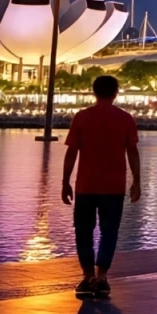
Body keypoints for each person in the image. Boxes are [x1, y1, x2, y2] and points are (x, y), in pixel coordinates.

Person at [61, 74, 140, 299]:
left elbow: (71, 152)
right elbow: (132, 152)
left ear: (93, 92)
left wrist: (65, 182)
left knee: (83, 232)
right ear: (116, 92)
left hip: (85, 186)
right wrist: (137, 181)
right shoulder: (125, 119)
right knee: (109, 232)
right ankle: (102, 277)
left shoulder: (82, 117)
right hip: (114, 187)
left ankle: (87, 277)